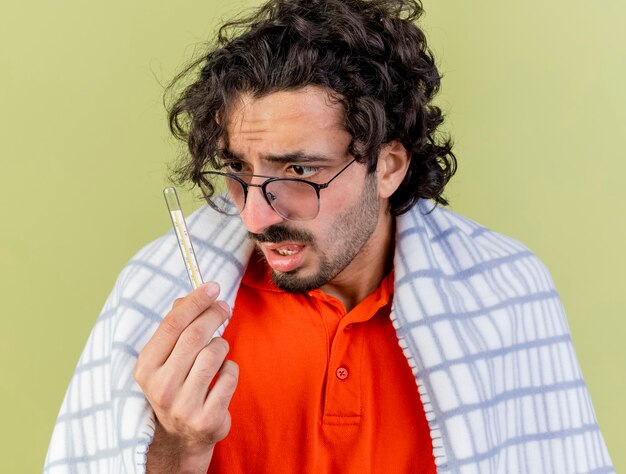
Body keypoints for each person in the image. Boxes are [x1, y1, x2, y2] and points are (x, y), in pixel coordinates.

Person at [44, 0, 614, 472]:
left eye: (299, 172)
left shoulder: (503, 290)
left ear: (387, 166)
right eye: (239, 171)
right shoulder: (161, 297)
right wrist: (180, 445)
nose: (255, 217)